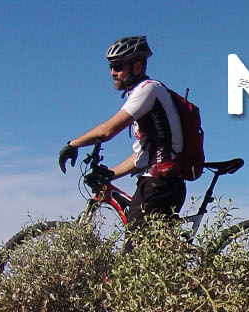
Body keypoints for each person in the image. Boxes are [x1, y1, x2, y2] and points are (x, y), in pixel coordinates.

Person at [57, 35, 186, 250]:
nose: (112, 73)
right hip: (159, 183)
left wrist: (73, 144)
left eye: (117, 66)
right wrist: (111, 174)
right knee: (151, 257)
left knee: (131, 261)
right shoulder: (143, 96)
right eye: (110, 67)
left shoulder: (148, 90)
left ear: (137, 65)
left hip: (158, 185)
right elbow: (144, 156)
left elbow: (108, 130)